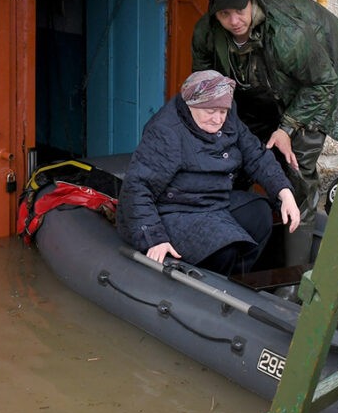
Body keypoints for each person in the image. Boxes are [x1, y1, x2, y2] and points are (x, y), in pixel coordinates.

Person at [192, 0, 338, 267]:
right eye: (225, 14)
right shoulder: (206, 34)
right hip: (257, 89)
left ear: (252, 4)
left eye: (240, 11)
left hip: (315, 82)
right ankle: (231, 245)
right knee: (229, 156)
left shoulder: (288, 36)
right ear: (214, 16)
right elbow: (205, 85)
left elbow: (323, 82)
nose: (234, 21)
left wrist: (287, 127)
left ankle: (294, 273)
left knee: (297, 169)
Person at [116, 70, 301, 276]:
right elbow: (137, 186)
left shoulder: (228, 116)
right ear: (192, 104)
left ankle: (236, 282)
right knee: (224, 248)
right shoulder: (166, 131)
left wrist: (284, 192)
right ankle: (209, 290)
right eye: (211, 111)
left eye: (223, 111)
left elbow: (255, 154)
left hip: (214, 199)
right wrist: (154, 238)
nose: (218, 119)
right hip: (175, 208)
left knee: (260, 215)